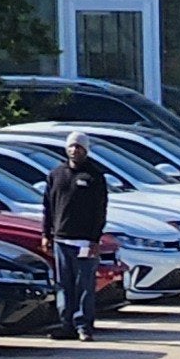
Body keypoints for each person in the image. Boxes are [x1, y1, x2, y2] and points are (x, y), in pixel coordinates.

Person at [43, 140, 108, 339]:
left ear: (85, 150)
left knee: (84, 285)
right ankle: (66, 325)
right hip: (62, 240)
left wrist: (95, 239)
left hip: (85, 241)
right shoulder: (56, 175)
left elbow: (100, 210)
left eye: (79, 147)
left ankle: (84, 326)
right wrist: (46, 234)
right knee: (64, 285)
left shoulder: (94, 176)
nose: (74, 150)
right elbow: (48, 206)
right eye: (71, 146)